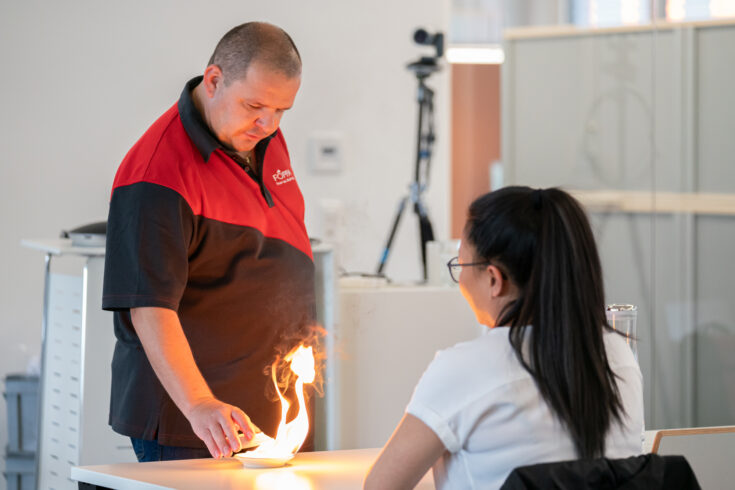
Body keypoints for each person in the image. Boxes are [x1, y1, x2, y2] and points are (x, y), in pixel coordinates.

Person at [101, 22, 316, 462]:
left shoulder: (259, 134)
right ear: (214, 80)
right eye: (255, 105)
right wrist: (200, 403)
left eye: (281, 110)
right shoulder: (158, 170)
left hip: (263, 410)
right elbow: (149, 307)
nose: (268, 123)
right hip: (196, 425)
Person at [365, 187, 644, 489]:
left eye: (460, 266)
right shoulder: (618, 357)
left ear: (494, 280)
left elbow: (380, 486)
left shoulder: (463, 370)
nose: (460, 280)